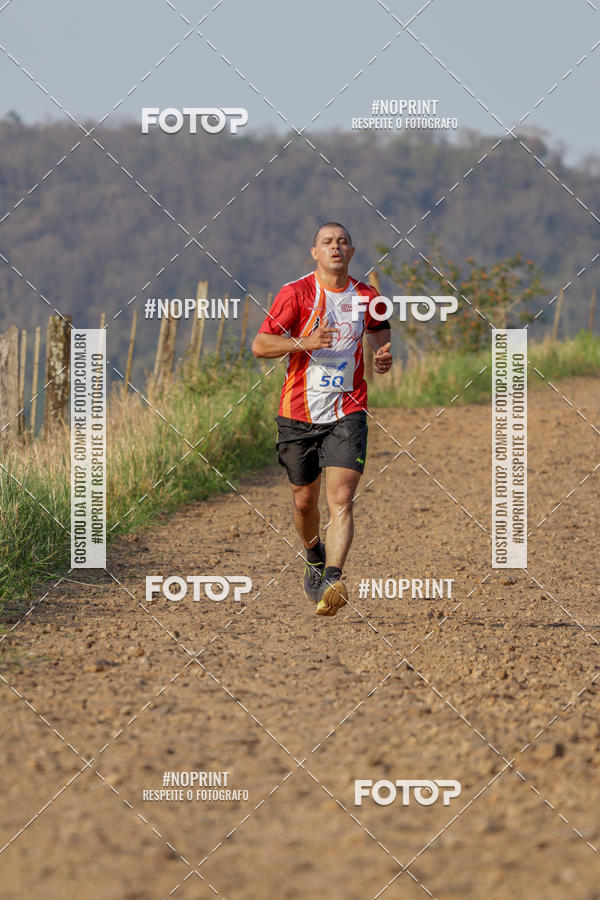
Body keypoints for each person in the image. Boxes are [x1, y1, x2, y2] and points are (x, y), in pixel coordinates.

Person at [252, 223, 393, 616]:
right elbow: (260, 345)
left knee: (343, 498)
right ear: (314, 252)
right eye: (327, 242)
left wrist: (382, 356)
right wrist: (304, 342)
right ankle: (314, 554)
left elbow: (381, 334)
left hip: (348, 410)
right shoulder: (295, 294)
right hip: (297, 414)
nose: (336, 247)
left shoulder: (368, 296)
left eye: (343, 242)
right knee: (303, 501)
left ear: (352, 251)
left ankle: (332, 578)